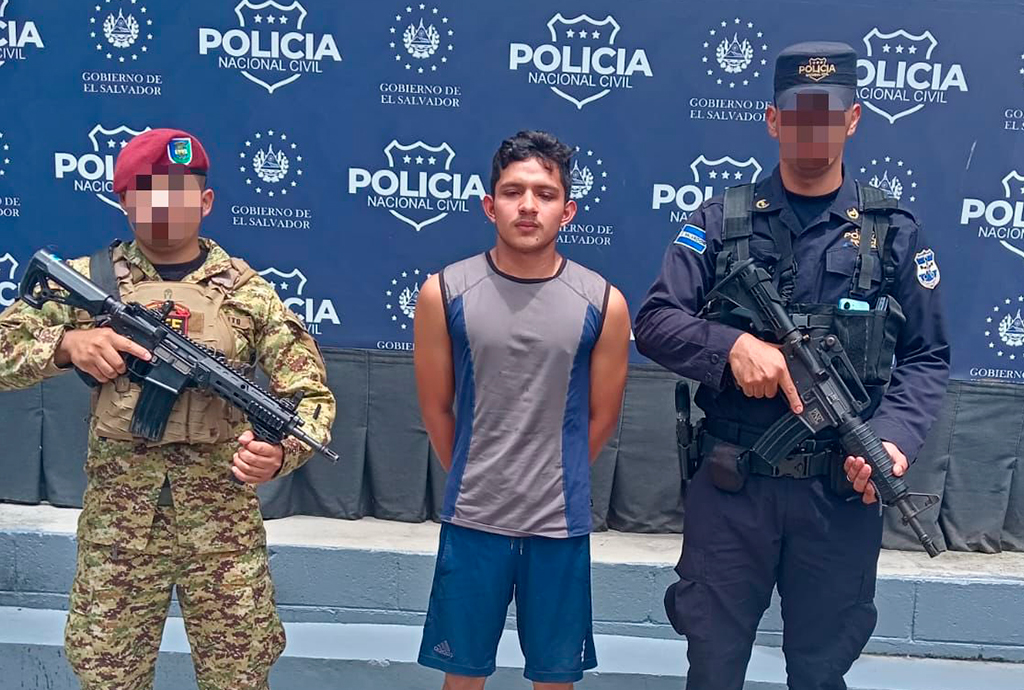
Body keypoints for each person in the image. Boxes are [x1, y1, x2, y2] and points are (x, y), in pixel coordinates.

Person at [634, 43, 950, 690]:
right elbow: (656, 322)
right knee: (714, 667)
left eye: (827, 114)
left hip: (838, 492)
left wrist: (892, 440)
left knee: (819, 670)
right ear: (774, 120)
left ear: (853, 119)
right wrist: (731, 348)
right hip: (734, 487)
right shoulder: (720, 220)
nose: (813, 127)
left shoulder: (893, 231)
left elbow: (926, 355)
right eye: (798, 114)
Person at [0, 128, 336, 690]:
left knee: (239, 677)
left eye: (180, 190)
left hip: (223, 532)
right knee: (108, 678)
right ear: (124, 200)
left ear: (206, 201)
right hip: (118, 532)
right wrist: (66, 345)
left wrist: (281, 453)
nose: (165, 203)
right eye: (149, 190)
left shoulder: (248, 293)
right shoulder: (88, 280)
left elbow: (310, 396)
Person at [413, 130, 631, 690]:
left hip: (558, 526)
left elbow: (603, 418)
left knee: (555, 680)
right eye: (513, 192)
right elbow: (436, 409)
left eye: (545, 193)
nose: (528, 206)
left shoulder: (603, 302)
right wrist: (478, 478)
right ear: (490, 206)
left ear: (568, 210)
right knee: (462, 679)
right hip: (473, 521)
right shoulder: (444, 291)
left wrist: (553, 479)